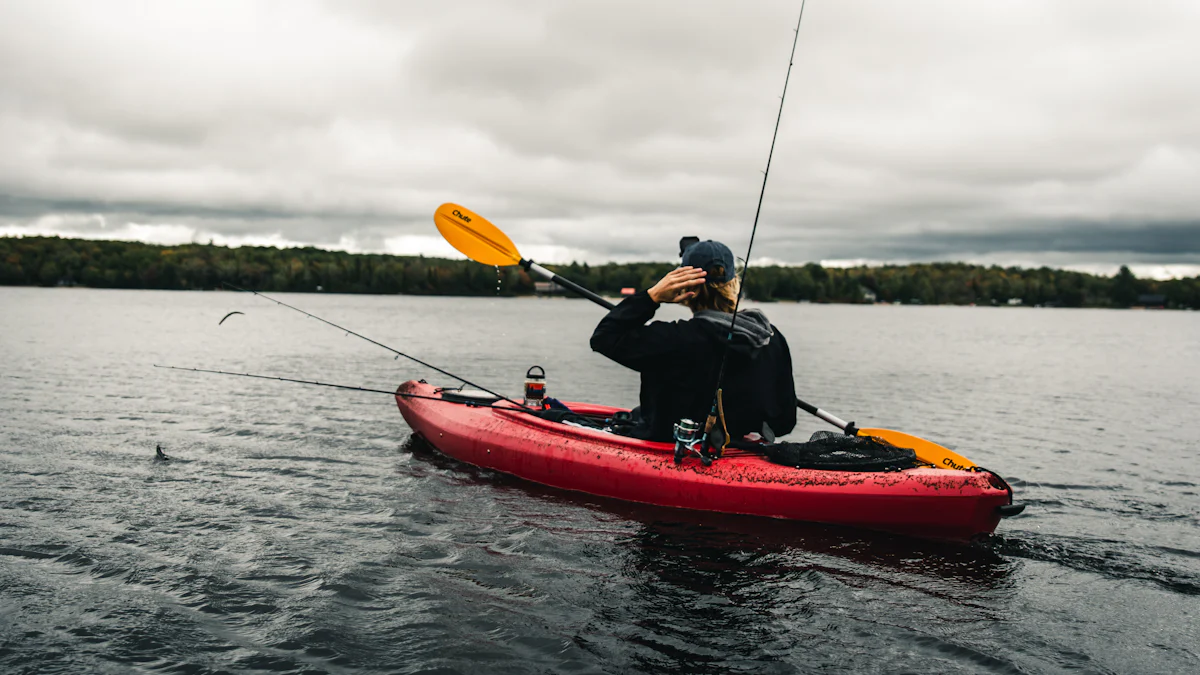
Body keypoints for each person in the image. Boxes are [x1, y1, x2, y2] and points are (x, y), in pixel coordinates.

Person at [590, 240, 797, 444]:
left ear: (682, 285)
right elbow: (784, 423)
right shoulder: (770, 336)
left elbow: (604, 338)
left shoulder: (674, 339)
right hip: (738, 452)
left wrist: (651, 297)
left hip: (670, 453)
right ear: (734, 282)